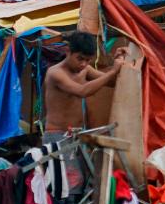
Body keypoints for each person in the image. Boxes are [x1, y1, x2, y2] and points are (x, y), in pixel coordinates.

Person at [45, 31, 134, 190]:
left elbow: (112, 82)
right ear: (68, 51)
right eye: (80, 58)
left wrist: (118, 60)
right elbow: (82, 91)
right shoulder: (55, 73)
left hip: (77, 135)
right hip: (57, 136)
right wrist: (113, 70)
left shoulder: (84, 70)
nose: (84, 64)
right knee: (66, 186)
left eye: (88, 60)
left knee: (82, 181)